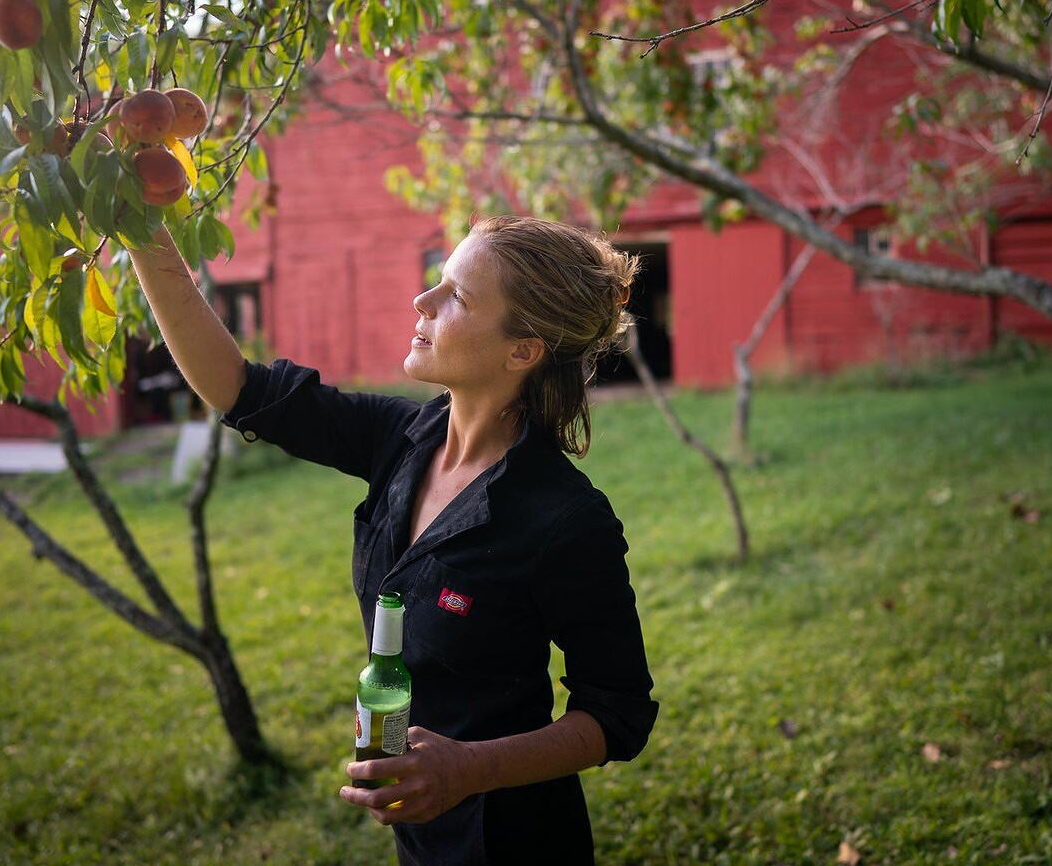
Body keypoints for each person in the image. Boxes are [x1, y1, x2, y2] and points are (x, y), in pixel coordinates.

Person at [129, 214, 659, 864]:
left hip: (513, 838)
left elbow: (618, 713)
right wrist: (141, 227)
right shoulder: (401, 442)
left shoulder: (564, 518)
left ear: (522, 351)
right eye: (438, 280)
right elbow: (237, 388)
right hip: (420, 833)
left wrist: (468, 769)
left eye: (457, 297)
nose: (422, 301)